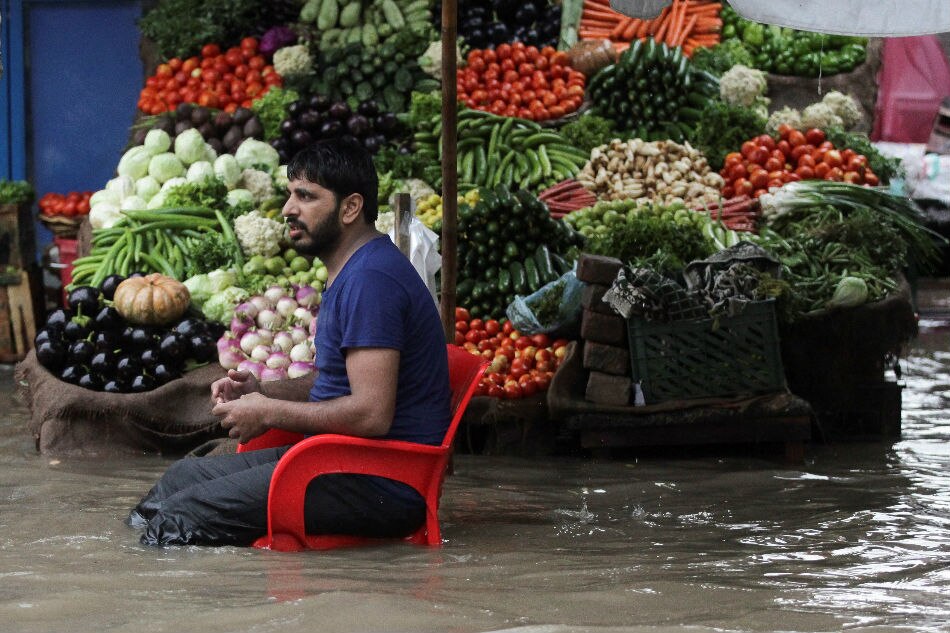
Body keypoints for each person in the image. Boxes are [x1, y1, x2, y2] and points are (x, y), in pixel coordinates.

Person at [126, 137, 451, 546]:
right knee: (181, 480)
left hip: (381, 480)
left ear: (350, 207)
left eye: (306, 196)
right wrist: (262, 390)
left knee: (183, 516)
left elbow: (372, 415)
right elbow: (336, 382)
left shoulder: (372, 280)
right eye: (289, 194)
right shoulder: (353, 269)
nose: (288, 209)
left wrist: (270, 411)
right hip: (337, 459)